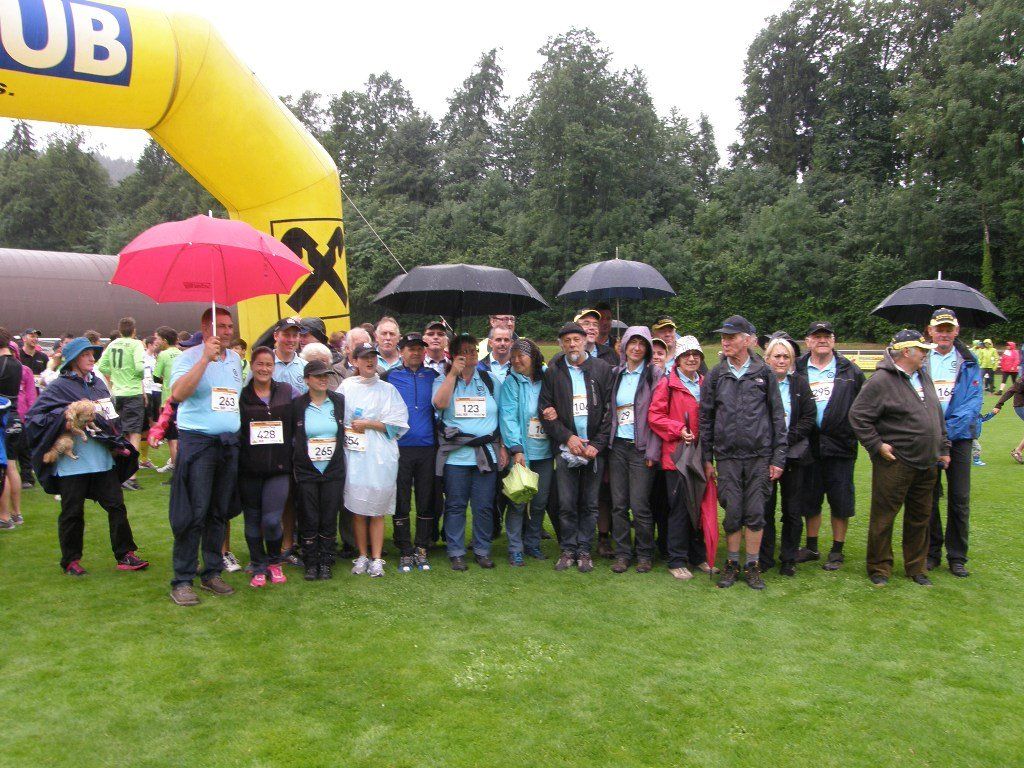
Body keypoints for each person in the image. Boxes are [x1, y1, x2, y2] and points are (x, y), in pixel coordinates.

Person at [24, 337, 148, 575]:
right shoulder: (59, 387)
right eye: (86, 355)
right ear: (73, 360)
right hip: (73, 464)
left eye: (92, 354)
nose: (92, 358)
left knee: (116, 506)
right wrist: (66, 418)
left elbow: (111, 418)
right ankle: (71, 560)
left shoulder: (98, 383)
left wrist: (115, 440)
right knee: (72, 512)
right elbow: (35, 419)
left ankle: (125, 554)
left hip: (102, 460)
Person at [849, 330, 950, 587]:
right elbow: (858, 415)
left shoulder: (923, 375)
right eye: (922, 350)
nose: (926, 354)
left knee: (920, 517)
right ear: (907, 352)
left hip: (927, 460)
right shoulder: (880, 381)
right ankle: (879, 567)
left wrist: (943, 447)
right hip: (896, 461)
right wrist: (876, 445)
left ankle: (916, 567)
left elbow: (936, 414)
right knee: (884, 517)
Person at [701, 315, 787, 590]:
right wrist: (707, 458)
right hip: (726, 457)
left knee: (755, 513)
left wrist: (778, 457)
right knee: (733, 512)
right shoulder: (716, 374)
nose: (725, 342)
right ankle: (732, 564)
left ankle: (752, 565)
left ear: (747, 340)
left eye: (731, 337)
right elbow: (706, 419)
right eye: (723, 337)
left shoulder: (764, 373)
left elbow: (777, 417)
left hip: (759, 456)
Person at [167, 306, 243, 606]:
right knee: (194, 512)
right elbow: (178, 394)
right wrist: (203, 360)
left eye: (229, 326)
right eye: (221, 326)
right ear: (206, 328)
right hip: (199, 443)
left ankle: (211, 572)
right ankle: (183, 579)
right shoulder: (187, 358)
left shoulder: (235, 359)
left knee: (218, 511)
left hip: (228, 444)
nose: (227, 331)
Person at [539, 322, 613, 573]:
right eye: (567, 341)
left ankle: (584, 550)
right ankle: (568, 549)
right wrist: (568, 438)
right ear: (561, 344)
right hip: (566, 449)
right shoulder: (554, 372)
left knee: (590, 504)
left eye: (576, 339)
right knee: (567, 503)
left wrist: (598, 444)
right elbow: (545, 410)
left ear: (585, 341)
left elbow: (610, 411)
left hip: (593, 449)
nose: (572, 345)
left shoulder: (602, 369)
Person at [795, 321, 865, 570]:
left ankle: (837, 550)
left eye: (827, 336)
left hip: (841, 445)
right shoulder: (798, 368)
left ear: (834, 340)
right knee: (810, 499)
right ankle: (811, 547)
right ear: (808, 341)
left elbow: (864, 405)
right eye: (817, 336)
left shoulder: (850, 370)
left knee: (841, 501)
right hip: (808, 445)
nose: (822, 340)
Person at [432, 333, 506, 571]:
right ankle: (456, 551)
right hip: (456, 456)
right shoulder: (443, 379)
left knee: (483, 506)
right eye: (464, 351)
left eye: (473, 350)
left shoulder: (490, 380)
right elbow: (439, 405)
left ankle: (482, 550)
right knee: (455, 504)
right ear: (454, 355)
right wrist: (453, 374)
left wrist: (503, 447)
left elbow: (502, 414)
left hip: (486, 453)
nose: (471, 354)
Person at [649, 336, 715, 579]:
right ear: (677, 359)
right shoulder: (668, 384)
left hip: (700, 454)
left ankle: (698, 556)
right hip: (676, 456)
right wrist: (678, 429)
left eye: (696, 354)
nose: (692, 358)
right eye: (687, 355)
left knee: (698, 507)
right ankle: (676, 559)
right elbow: (655, 416)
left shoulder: (706, 384)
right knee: (679, 508)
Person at [924, 309, 982, 578]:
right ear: (930, 331)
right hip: (928, 437)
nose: (944, 334)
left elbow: (972, 403)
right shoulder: (922, 359)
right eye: (940, 329)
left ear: (956, 331)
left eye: (949, 329)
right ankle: (931, 552)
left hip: (959, 439)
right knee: (928, 497)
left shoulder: (969, 361)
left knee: (959, 499)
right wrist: (934, 432)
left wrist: (946, 434)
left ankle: (957, 556)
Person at [342, 344, 408, 577]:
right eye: (365, 358)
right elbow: (338, 417)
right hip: (355, 454)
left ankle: (377, 557)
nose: (370, 362)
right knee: (358, 508)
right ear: (355, 361)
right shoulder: (347, 387)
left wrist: (369, 423)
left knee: (377, 508)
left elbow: (397, 424)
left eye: (373, 357)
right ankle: (362, 555)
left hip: (381, 454)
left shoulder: (387, 390)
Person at [758, 334, 816, 576]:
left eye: (786, 357)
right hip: (765, 455)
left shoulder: (799, 384)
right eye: (777, 356)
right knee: (765, 509)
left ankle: (789, 558)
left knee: (792, 510)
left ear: (792, 360)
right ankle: (764, 557)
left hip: (794, 456)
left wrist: (785, 439)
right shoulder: (759, 384)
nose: (781, 361)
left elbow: (809, 417)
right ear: (767, 359)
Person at [606, 326, 661, 574]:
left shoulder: (654, 375)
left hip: (642, 448)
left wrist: (653, 451)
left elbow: (658, 415)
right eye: (632, 343)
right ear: (625, 345)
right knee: (618, 504)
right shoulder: (616, 374)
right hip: (617, 446)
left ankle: (644, 553)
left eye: (642, 344)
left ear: (647, 348)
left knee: (639, 505)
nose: (637, 348)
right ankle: (622, 554)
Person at [238, 346, 293, 588]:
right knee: (252, 519)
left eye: (269, 364)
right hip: (249, 469)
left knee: (271, 520)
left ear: (274, 367)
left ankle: (274, 561)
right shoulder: (242, 396)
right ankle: (258, 565)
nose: (264, 369)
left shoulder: (286, 391)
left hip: (278, 468)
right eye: (259, 364)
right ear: (252, 366)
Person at [384, 333, 438, 572]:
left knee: (426, 498)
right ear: (401, 351)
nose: (416, 352)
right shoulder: (389, 376)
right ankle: (404, 547)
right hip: (400, 447)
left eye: (419, 348)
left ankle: (422, 546)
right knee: (401, 499)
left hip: (427, 447)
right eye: (410, 348)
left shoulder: (433, 376)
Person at [499, 338, 555, 565]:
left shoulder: (547, 378)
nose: (516, 360)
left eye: (521, 356)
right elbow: (508, 417)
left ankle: (532, 543)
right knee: (518, 501)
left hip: (545, 451)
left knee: (540, 502)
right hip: (522, 452)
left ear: (533, 357)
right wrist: (516, 449)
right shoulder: (511, 382)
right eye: (512, 357)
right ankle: (515, 548)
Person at [293, 359, 347, 580]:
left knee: (329, 515)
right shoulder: (297, 405)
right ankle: (310, 561)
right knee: (309, 516)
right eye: (318, 376)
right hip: (307, 470)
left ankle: (326, 560)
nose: (323, 379)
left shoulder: (338, 401)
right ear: (307, 379)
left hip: (333, 469)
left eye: (326, 375)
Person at [97, 317, 147, 491]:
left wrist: (115, 375)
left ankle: (120, 472)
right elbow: (140, 368)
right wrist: (136, 377)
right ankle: (131, 476)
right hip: (132, 392)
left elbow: (102, 366)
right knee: (135, 433)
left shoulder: (112, 344)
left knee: (121, 432)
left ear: (119, 330)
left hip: (117, 393)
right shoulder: (136, 344)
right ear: (134, 330)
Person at [0, 329, 30, 527]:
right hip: (15, 417)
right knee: (12, 466)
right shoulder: (18, 364)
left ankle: (4, 517)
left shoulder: (1, 363)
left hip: (2, 417)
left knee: (2, 468)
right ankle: (17, 513)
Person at [152, 326, 181, 474]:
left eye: (157, 338)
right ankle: (177, 463)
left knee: (171, 437)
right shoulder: (182, 353)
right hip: (182, 399)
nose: (155, 341)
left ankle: (176, 465)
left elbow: (156, 377)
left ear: (164, 340)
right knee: (179, 435)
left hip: (168, 400)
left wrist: (165, 379)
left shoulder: (163, 355)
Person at [271, 317, 307, 394]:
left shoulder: (306, 367)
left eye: (295, 335)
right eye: (286, 335)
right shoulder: (262, 365)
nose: (291, 340)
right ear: (276, 336)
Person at [992, 378, 1024, 462]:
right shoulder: (1021, 381)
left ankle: (1017, 451)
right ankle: (1017, 451)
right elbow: (1010, 391)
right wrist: (998, 405)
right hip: (1021, 406)